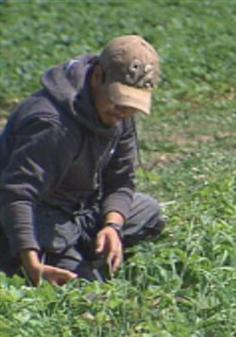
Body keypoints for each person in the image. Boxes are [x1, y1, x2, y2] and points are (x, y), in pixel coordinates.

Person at [0, 35, 165, 285]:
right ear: (98, 76)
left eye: (132, 105)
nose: (124, 112)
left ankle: (75, 252)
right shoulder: (51, 124)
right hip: (36, 217)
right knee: (85, 293)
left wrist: (112, 226)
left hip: (79, 209)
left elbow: (121, 181)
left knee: (147, 211)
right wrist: (31, 261)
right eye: (119, 101)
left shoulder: (121, 116)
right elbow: (17, 194)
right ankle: (30, 261)